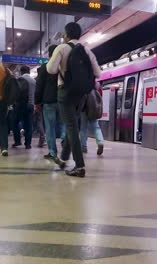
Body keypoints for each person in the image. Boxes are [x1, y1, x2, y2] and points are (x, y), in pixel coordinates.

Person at [47, 22, 101, 177]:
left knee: (71, 128)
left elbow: (50, 69)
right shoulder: (87, 51)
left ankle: (80, 166)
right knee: (73, 127)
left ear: (66, 35)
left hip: (65, 92)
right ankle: (64, 159)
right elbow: (98, 73)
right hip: (82, 95)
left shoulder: (61, 48)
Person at [35, 45, 66, 162]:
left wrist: (37, 102)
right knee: (63, 125)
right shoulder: (63, 68)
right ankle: (65, 144)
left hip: (48, 102)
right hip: (62, 101)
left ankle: (53, 152)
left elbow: (39, 87)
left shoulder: (44, 68)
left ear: (49, 55)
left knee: (50, 127)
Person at [12, 65, 36, 149]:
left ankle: (17, 141)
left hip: (21, 105)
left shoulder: (19, 80)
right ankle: (28, 144)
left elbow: (15, 93)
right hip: (31, 105)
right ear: (29, 71)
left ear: (21, 72)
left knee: (15, 122)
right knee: (28, 124)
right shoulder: (34, 81)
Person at [80, 82, 104, 155]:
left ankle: (83, 147)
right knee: (96, 127)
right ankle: (100, 142)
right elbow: (100, 96)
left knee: (83, 128)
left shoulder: (82, 83)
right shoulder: (96, 85)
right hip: (93, 109)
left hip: (83, 109)